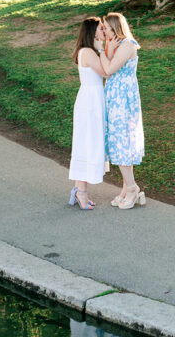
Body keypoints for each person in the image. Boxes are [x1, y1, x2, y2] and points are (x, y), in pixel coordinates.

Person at [99, 12, 145, 209]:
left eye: (107, 28)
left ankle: (133, 189)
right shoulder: (117, 45)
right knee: (118, 140)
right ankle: (126, 189)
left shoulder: (127, 45)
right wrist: (107, 48)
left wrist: (100, 51)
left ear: (116, 28)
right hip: (115, 98)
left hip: (123, 101)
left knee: (122, 141)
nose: (105, 32)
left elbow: (109, 70)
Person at [68, 16, 108, 210]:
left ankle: (79, 190)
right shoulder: (89, 52)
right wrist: (102, 49)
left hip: (93, 98)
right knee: (86, 143)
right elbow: (106, 72)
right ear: (93, 32)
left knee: (87, 142)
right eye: (101, 29)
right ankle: (81, 192)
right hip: (90, 100)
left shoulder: (89, 51)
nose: (104, 32)